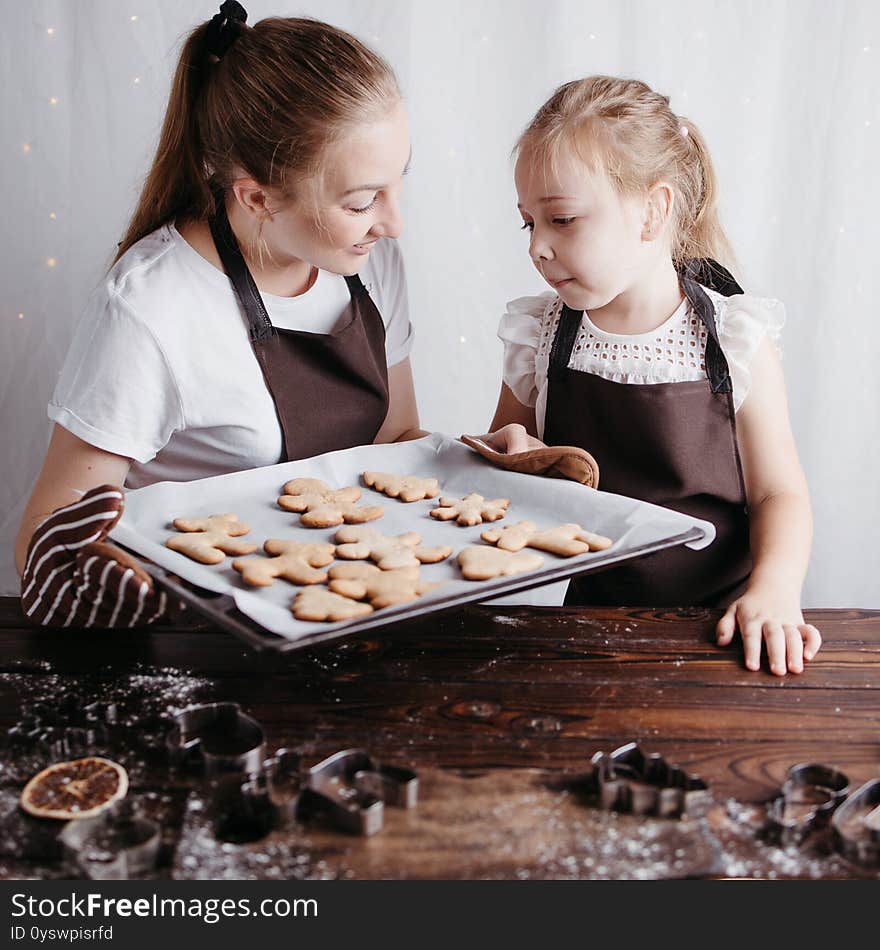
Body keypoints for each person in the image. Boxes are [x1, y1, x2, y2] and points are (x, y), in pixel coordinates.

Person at [15, 3, 419, 627]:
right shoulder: (153, 307)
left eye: (397, 185)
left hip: (347, 612)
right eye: (364, 200)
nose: (394, 223)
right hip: (199, 634)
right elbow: (48, 532)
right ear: (257, 196)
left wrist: (488, 463)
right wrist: (97, 590)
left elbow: (393, 444)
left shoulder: (368, 260)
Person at [481, 76, 820, 676]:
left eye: (561, 219)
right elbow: (505, 460)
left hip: (720, 627)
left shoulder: (734, 340)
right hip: (590, 625)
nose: (538, 247)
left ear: (652, 211)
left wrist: (774, 590)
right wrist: (509, 454)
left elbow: (779, 494)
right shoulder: (540, 336)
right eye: (528, 223)